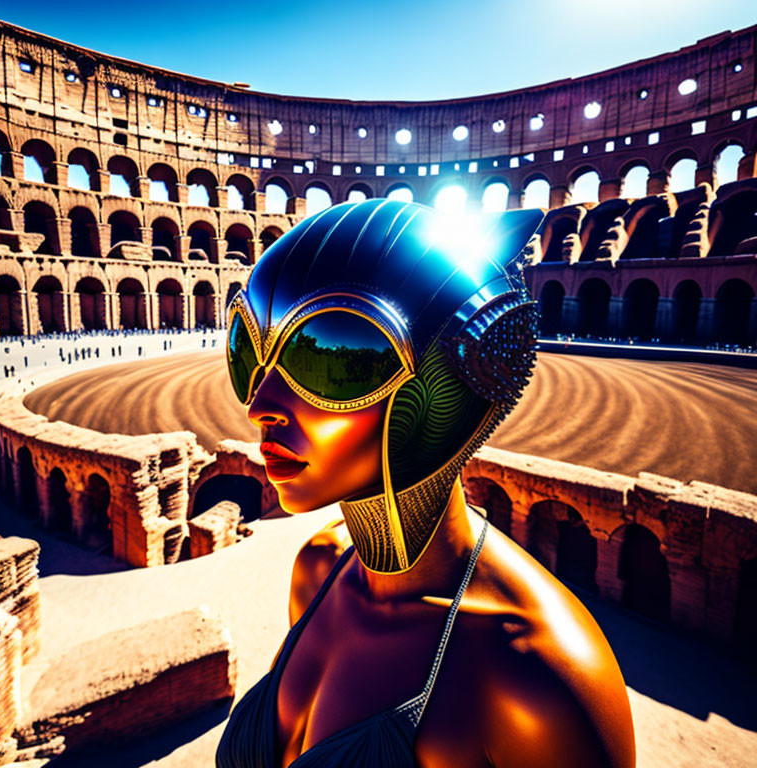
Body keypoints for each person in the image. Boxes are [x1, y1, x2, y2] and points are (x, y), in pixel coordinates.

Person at [217, 199, 635, 768]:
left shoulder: (540, 677)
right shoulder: (315, 570)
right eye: (248, 354)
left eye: (334, 357)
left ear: (454, 383)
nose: (260, 404)